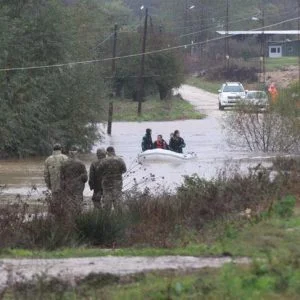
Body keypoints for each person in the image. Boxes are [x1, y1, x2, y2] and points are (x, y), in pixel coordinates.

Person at [60, 146, 88, 215]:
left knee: (68, 203)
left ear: (69, 153)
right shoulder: (81, 164)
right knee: (78, 203)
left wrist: (62, 186)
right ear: (76, 153)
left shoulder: (64, 163)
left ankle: (68, 219)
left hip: (67, 186)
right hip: (78, 187)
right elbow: (85, 178)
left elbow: (61, 177)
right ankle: (78, 218)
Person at [98, 147, 127, 212]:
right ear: (114, 151)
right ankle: (119, 215)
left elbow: (99, 170)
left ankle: (107, 217)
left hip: (106, 184)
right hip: (117, 183)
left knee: (107, 200)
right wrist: (118, 173)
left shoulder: (104, 160)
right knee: (117, 199)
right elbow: (124, 170)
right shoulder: (120, 160)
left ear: (107, 152)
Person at [44, 143, 68, 211]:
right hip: (64, 185)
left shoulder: (48, 159)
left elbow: (46, 175)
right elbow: (69, 173)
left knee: (55, 202)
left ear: (53, 149)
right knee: (64, 202)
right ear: (61, 149)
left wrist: (48, 185)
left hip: (53, 185)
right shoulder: (65, 158)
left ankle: (55, 217)